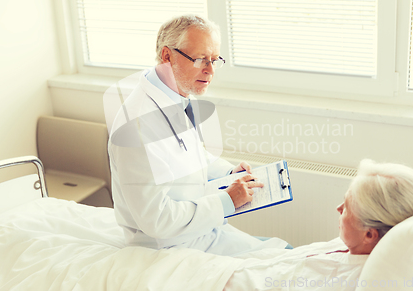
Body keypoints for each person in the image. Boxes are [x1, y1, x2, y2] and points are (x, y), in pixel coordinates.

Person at [107, 14, 288, 255]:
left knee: (286, 251)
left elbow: (188, 155)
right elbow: (156, 220)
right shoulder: (137, 127)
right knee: (284, 259)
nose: (210, 71)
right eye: (201, 59)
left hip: (200, 230)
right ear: (167, 56)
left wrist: (228, 173)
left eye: (214, 60)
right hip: (168, 247)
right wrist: (227, 202)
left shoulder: (175, 95)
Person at [224, 159, 413, 290]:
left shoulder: (350, 280)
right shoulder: (350, 247)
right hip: (231, 267)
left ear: (370, 234)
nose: (338, 208)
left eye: (348, 207)